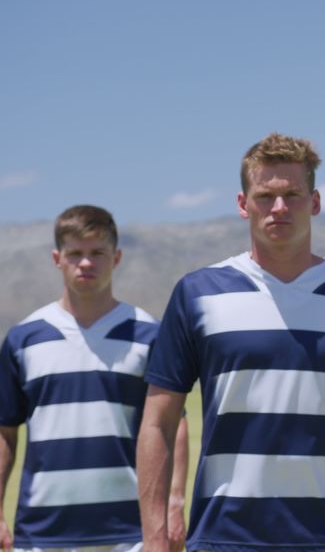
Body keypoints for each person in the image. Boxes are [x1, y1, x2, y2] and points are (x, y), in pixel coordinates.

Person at [136, 133, 325, 552]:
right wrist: (154, 539)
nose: (279, 208)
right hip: (223, 539)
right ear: (243, 204)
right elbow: (157, 423)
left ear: (315, 202)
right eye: (265, 196)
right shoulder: (198, 293)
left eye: (293, 195)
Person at [0, 205, 188, 552]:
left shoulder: (148, 335)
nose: (86, 263)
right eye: (75, 253)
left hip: (130, 533)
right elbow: (4, 433)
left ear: (116, 258)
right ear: (58, 258)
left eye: (97, 253)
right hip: (42, 534)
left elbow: (172, 426)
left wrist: (173, 504)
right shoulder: (23, 339)